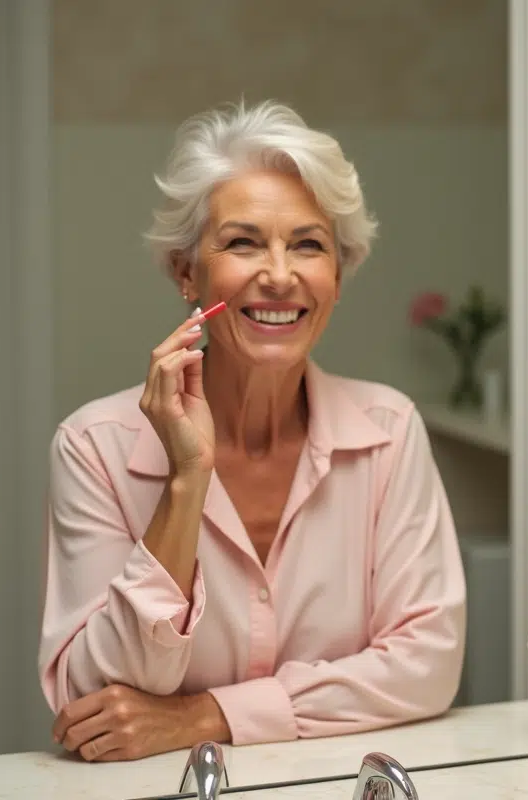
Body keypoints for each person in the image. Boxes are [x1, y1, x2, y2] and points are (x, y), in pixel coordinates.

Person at [38, 100, 466, 762]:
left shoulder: (390, 433)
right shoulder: (94, 446)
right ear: (188, 274)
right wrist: (187, 481)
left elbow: (427, 665)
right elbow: (95, 703)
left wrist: (204, 715)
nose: (278, 274)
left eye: (308, 245)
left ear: (336, 279)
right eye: (242, 242)